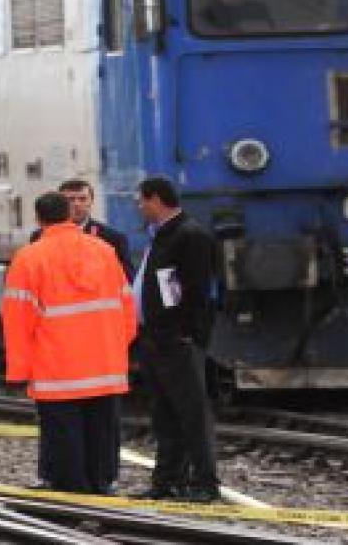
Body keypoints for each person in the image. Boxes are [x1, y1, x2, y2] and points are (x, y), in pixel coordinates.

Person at [2, 192, 137, 494]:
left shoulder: (28, 258)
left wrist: (19, 372)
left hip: (56, 369)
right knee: (102, 431)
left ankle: (72, 493)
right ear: (69, 214)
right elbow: (127, 306)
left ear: (38, 219)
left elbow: (18, 321)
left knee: (64, 435)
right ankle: (102, 485)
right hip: (105, 365)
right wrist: (117, 347)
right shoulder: (104, 250)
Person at [135, 176, 221, 502]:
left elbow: (198, 292)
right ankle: (168, 480)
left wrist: (185, 333)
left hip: (176, 341)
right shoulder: (164, 236)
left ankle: (205, 483)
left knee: (191, 414)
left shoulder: (189, 236)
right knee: (166, 415)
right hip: (157, 339)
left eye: (141, 201)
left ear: (155, 200)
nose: (139, 208)